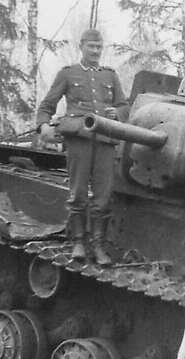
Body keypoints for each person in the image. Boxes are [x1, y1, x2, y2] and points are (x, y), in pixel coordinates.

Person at [36, 28, 129, 265]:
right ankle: (78, 241)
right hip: (79, 140)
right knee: (77, 192)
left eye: (99, 47)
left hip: (105, 140)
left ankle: (97, 246)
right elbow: (47, 105)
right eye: (91, 47)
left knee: (104, 196)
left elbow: (124, 107)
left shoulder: (110, 76)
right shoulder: (69, 74)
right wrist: (44, 126)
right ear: (82, 46)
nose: (96, 51)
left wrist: (116, 113)